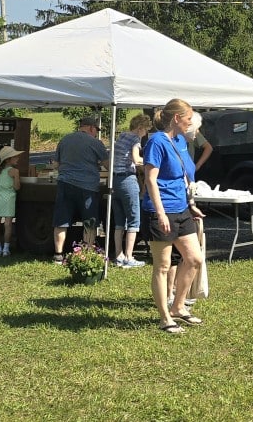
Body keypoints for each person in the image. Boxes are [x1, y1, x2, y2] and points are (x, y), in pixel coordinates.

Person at [143, 99, 206, 335]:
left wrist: (191, 204)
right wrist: (160, 213)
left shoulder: (180, 141)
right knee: (162, 266)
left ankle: (178, 307)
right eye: (188, 118)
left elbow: (184, 176)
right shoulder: (156, 142)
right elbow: (150, 180)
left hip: (181, 210)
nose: (191, 123)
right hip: (162, 211)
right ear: (177, 118)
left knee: (194, 259)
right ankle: (165, 318)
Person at [52, 115, 109, 263]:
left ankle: (58, 254)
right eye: (96, 130)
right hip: (87, 187)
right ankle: (87, 252)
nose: (96, 133)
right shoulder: (95, 143)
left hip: (65, 183)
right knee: (89, 221)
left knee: (61, 221)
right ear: (91, 128)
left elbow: (56, 165)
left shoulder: (64, 140)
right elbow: (108, 165)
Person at [111, 114, 151, 268]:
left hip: (115, 180)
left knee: (119, 221)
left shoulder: (122, 136)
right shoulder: (135, 139)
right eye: (145, 130)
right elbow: (136, 159)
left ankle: (119, 255)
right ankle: (129, 257)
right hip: (127, 180)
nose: (145, 134)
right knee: (134, 219)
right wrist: (150, 162)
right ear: (140, 128)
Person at [0, 146, 23, 256]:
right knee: (8, 224)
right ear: (8, 159)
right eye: (15, 157)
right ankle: (6, 249)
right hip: (9, 198)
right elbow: (17, 187)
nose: (18, 158)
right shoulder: (15, 171)